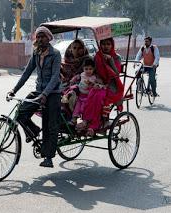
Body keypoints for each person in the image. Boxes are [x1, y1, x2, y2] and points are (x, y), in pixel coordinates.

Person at [7, 26, 61, 168]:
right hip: (39, 91)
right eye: (38, 37)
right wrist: (14, 90)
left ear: (48, 38)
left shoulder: (55, 54)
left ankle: (48, 157)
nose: (40, 39)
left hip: (53, 93)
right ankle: (33, 131)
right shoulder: (36, 53)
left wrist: (45, 94)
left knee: (50, 125)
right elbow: (26, 74)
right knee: (20, 113)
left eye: (43, 36)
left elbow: (55, 77)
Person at [77, 38, 124, 136]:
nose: (105, 46)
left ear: (112, 45)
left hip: (112, 86)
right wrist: (97, 81)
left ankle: (95, 125)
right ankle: (86, 120)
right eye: (103, 44)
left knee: (98, 97)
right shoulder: (97, 56)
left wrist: (110, 60)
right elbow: (94, 72)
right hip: (98, 83)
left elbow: (116, 74)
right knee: (90, 95)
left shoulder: (116, 57)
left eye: (108, 44)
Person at [63, 58, 105, 126]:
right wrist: (73, 79)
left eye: (90, 69)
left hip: (88, 98)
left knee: (85, 109)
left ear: (93, 69)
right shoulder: (82, 74)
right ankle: (73, 120)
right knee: (77, 108)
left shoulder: (94, 78)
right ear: (83, 69)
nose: (88, 71)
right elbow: (77, 77)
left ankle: (85, 121)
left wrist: (94, 84)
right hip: (80, 96)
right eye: (86, 69)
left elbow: (100, 84)